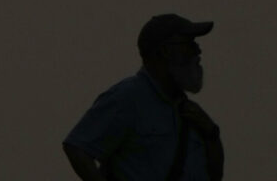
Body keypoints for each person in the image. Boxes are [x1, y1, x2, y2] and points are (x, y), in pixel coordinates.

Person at [62, 14, 224, 180]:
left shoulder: (190, 112)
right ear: (165, 52)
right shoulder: (128, 97)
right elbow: (77, 148)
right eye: (188, 44)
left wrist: (211, 134)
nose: (197, 51)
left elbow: (214, 176)